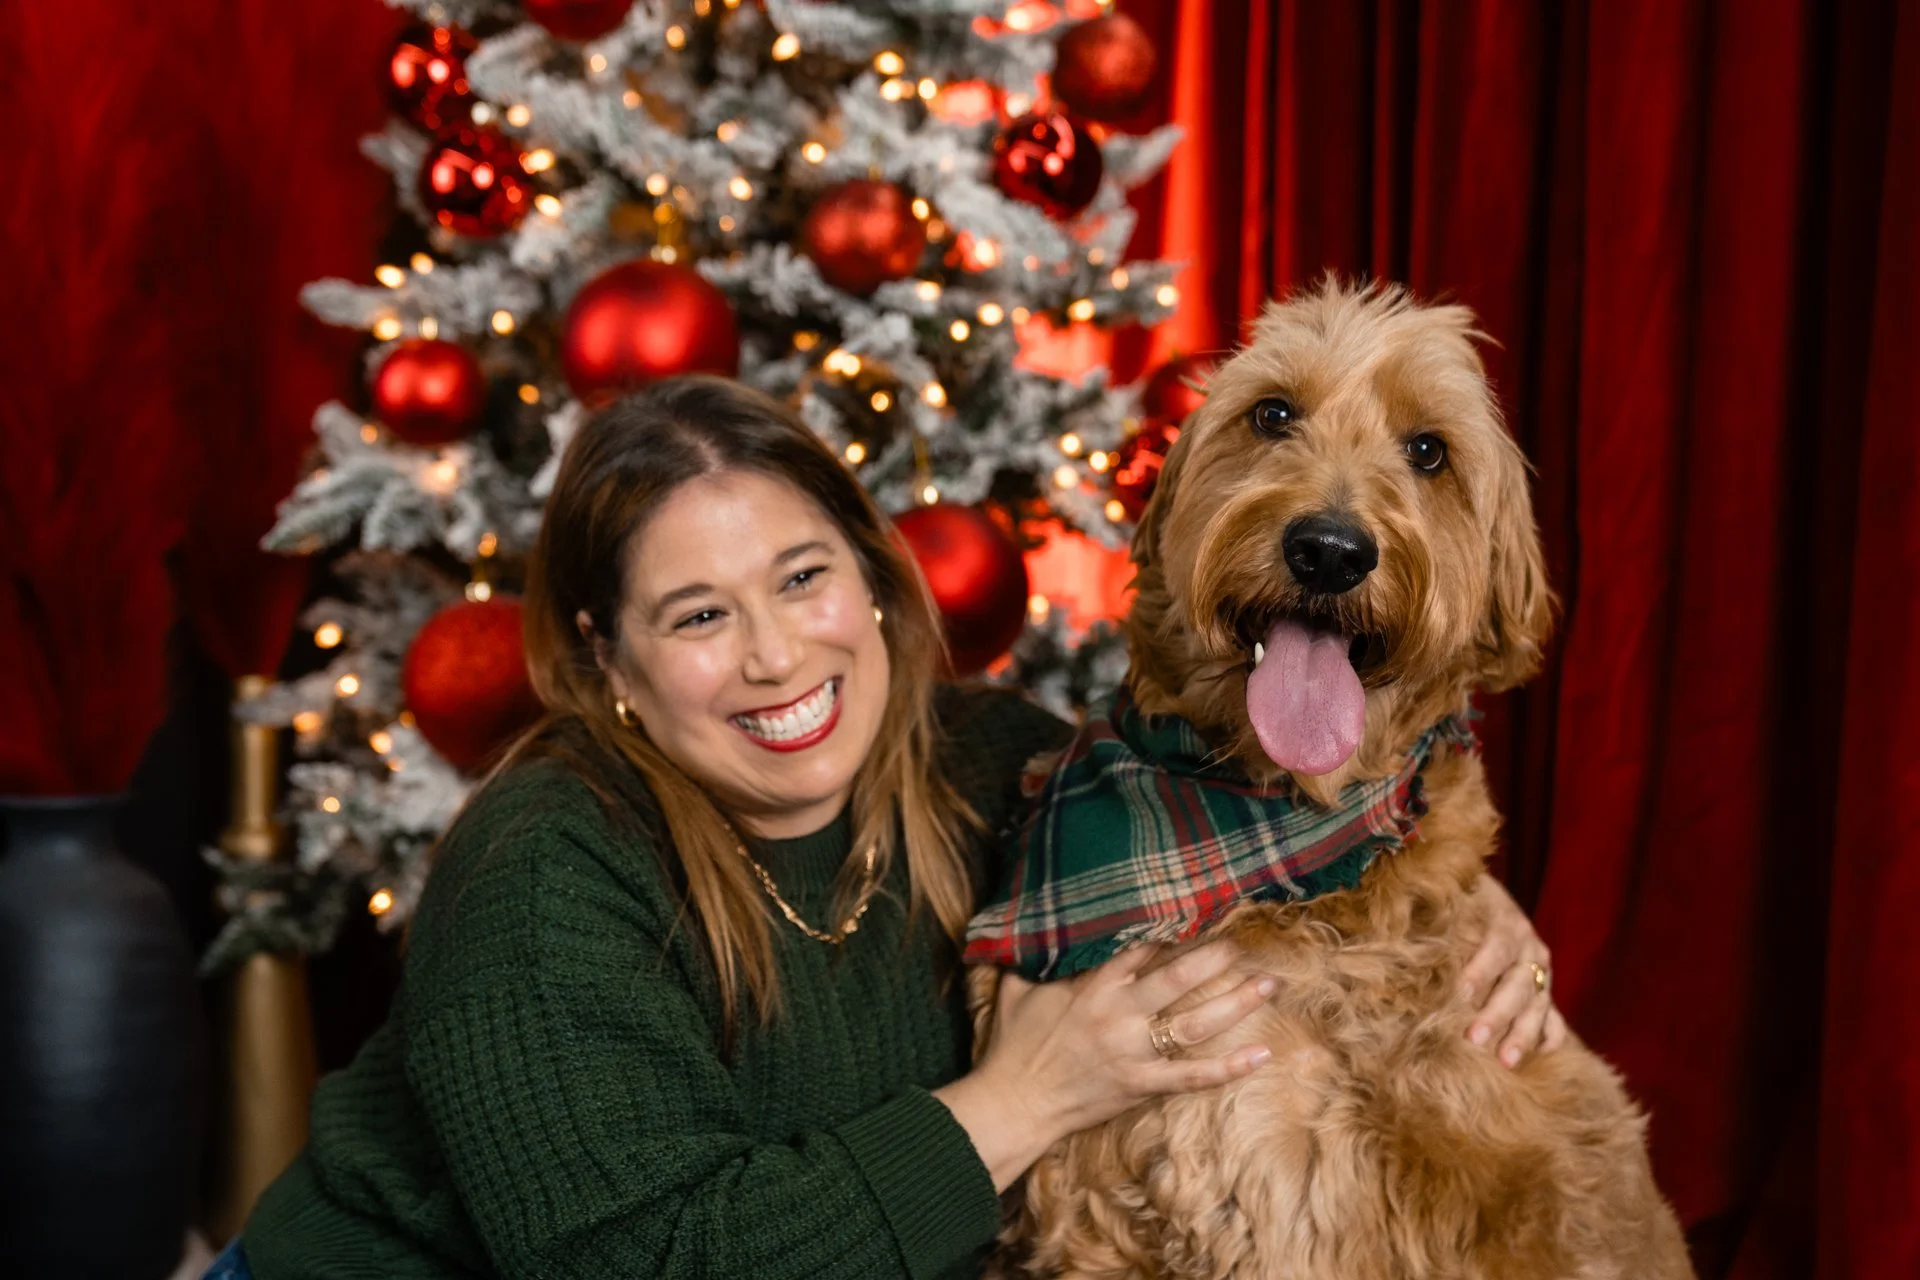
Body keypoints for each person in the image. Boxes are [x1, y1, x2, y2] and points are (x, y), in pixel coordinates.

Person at [223, 376, 1561, 1279]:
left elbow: (1251, 807)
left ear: (871, 582)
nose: (772, 657)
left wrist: (1463, 892)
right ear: (608, 662)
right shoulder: (543, 867)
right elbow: (638, 1263)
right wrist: (1021, 1103)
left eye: (801, 579)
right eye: (696, 616)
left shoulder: (991, 764)